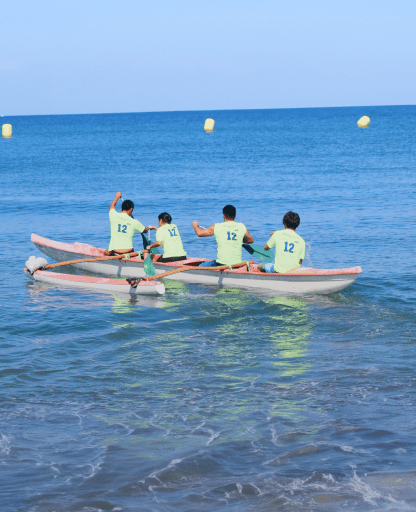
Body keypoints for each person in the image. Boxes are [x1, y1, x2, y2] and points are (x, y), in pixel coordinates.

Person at [104, 191, 150, 256]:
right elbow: (145, 231)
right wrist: (149, 228)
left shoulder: (113, 216)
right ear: (131, 210)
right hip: (129, 253)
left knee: (106, 251)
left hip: (115, 252)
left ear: (121, 209)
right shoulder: (135, 222)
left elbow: (112, 206)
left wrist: (117, 197)